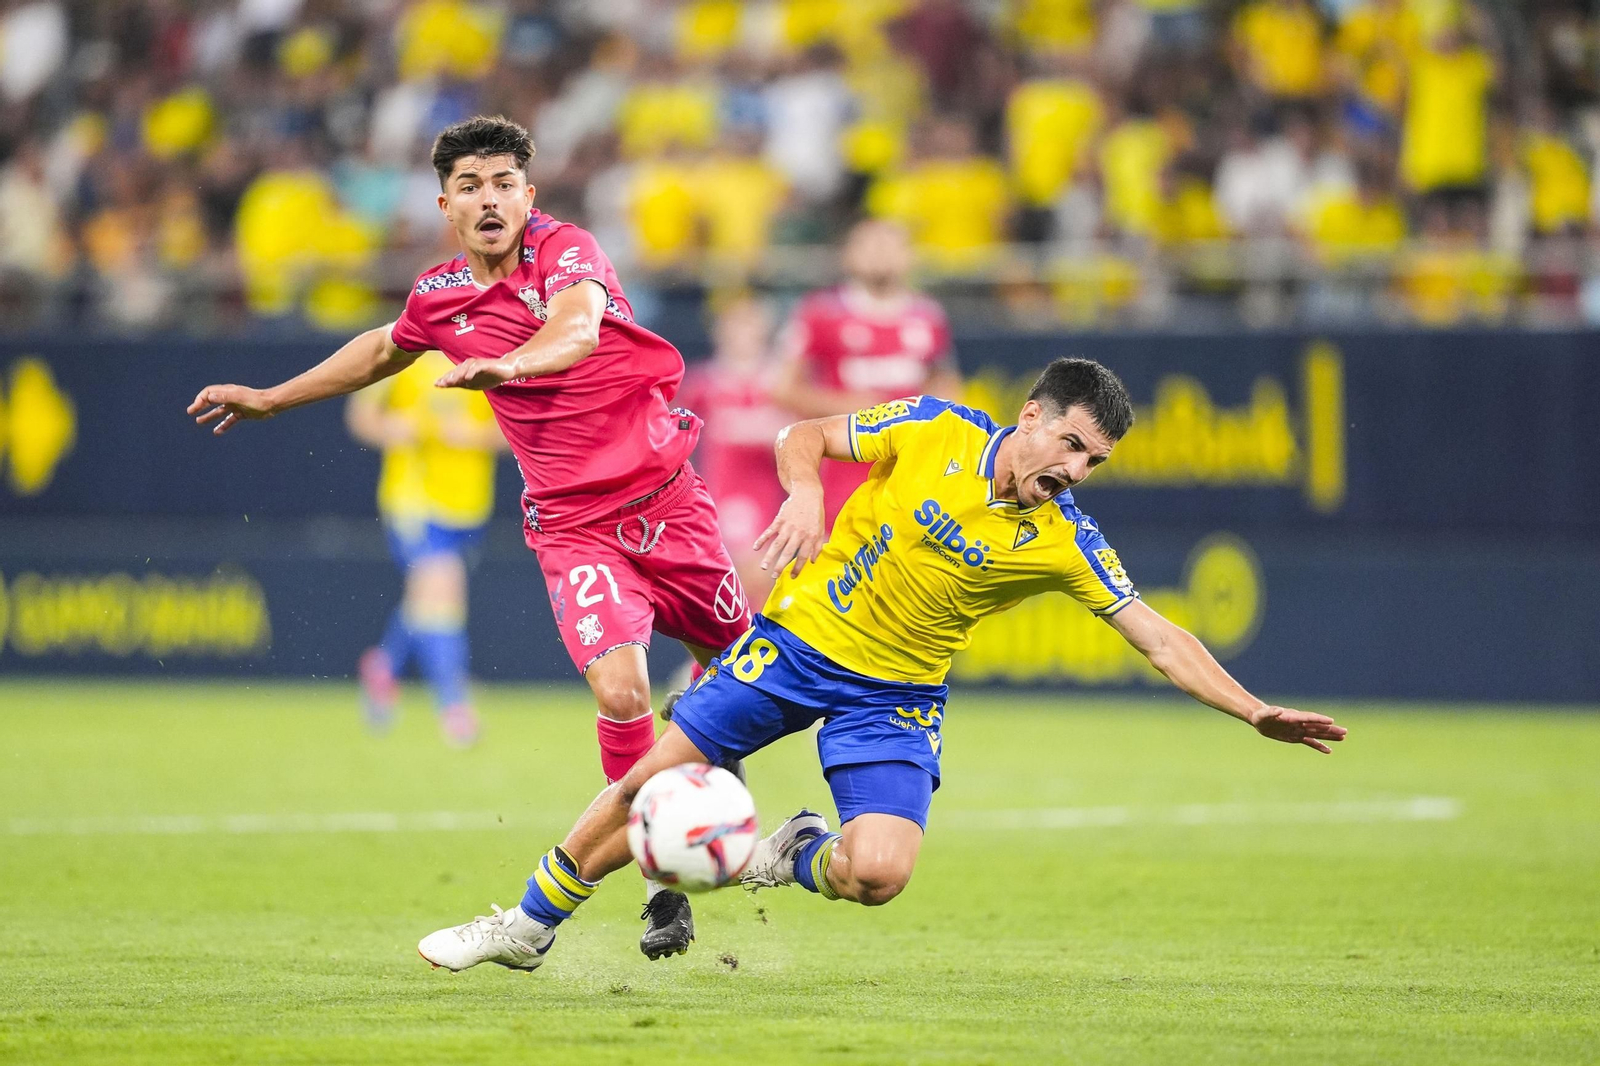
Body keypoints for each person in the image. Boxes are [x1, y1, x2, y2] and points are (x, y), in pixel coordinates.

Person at [415, 358, 1349, 973]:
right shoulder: (938, 429)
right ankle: (529, 927)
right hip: (797, 644)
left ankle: (788, 854)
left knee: (879, 873)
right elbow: (804, 435)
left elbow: (1157, 634)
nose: (1075, 469)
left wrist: (1253, 710)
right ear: (1030, 417)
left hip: (898, 694)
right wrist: (805, 495)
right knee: (653, 779)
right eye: (1069, 443)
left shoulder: (1066, 538)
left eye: (1094, 461)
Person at [186, 115, 752, 960]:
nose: (490, 199)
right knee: (625, 694)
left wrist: (512, 365)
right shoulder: (439, 294)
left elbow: (578, 327)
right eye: (471, 187)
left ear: (529, 195)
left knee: (749, 671)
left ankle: (738, 790)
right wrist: (273, 397)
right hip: (573, 525)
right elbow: (383, 348)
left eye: (504, 184)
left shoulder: (568, 252)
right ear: (445, 203)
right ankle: (659, 883)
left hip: (672, 503)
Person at [345, 350, 504, 746]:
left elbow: (514, 429)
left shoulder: (490, 348)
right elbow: (360, 415)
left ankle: (384, 665)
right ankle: (454, 705)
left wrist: (475, 435)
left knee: (426, 600)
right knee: (443, 592)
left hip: (468, 505)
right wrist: (392, 428)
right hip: (414, 500)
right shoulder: (403, 348)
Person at [775, 218, 962, 531]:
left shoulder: (928, 316)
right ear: (849, 255)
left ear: (909, 256)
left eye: (890, 245)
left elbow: (947, 387)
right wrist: (849, 407)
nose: (881, 254)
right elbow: (781, 389)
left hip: (911, 474)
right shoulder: (820, 313)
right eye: (871, 245)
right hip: (844, 473)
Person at [678, 294, 789, 610]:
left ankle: (749, 652)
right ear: (720, 330)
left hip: (774, 500)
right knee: (740, 578)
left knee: (762, 586)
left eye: (750, 323)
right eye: (735, 324)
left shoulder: (781, 384)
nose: (743, 332)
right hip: (727, 498)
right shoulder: (706, 383)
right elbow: (672, 432)